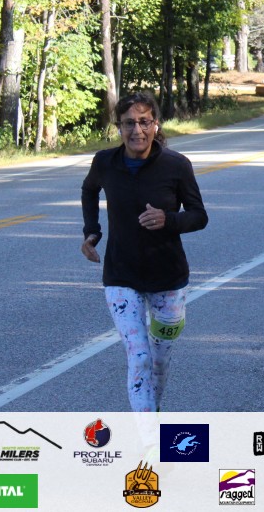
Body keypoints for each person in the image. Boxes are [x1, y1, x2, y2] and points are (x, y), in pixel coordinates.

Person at [80, 92, 209, 412]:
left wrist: (169, 219)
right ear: (118, 127)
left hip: (168, 278)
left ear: (156, 125)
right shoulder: (105, 162)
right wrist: (91, 231)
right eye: (128, 123)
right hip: (121, 276)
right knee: (139, 358)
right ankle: (149, 433)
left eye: (144, 122)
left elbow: (199, 216)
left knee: (159, 362)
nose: (137, 130)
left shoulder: (176, 165)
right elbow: (89, 189)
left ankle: (153, 411)